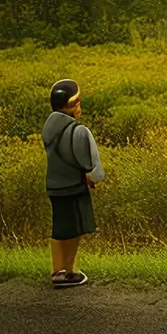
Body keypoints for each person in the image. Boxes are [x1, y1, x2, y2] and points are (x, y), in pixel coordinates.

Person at [42, 79, 105, 288]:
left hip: (54, 186)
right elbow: (93, 170)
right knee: (74, 230)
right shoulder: (79, 132)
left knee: (59, 227)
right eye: (77, 102)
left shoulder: (48, 129)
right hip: (74, 187)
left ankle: (56, 269)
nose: (80, 106)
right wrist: (93, 179)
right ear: (71, 106)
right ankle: (67, 271)